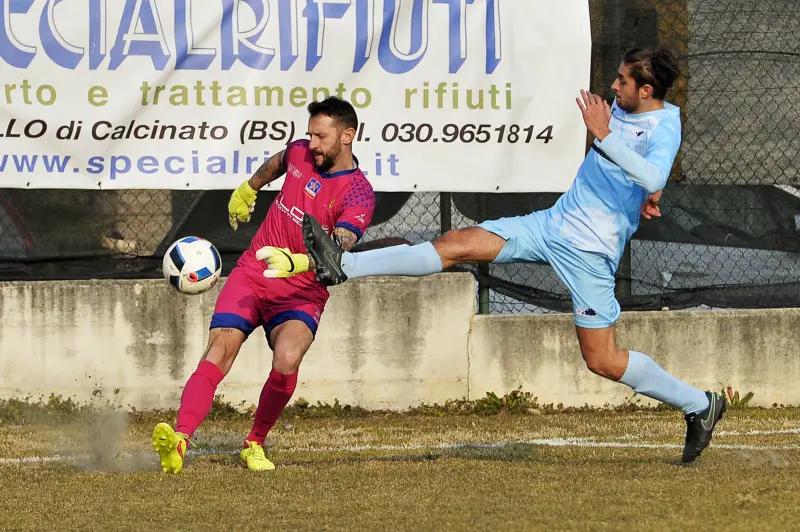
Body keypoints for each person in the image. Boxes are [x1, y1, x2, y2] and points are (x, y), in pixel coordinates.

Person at [260, 47, 726, 464]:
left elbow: (652, 170)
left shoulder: (664, 124)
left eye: (623, 81)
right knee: (454, 243)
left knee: (602, 360)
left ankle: (699, 405)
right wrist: (639, 184)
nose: (613, 86)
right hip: (552, 225)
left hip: (592, 254)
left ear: (645, 90)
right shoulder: (622, 111)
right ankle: (344, 265)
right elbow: (642, 177)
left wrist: (609, 142)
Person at [152, 96, 376, 473]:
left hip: (302, 290)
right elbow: (280, 161)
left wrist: (303, 260)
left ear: (348, 135)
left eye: (321, 137)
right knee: (218, 352)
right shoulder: (302, 152)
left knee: (287, 360)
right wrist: (250, 187)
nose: (313, 144)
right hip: (254, 274)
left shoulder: (358, 192)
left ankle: (254, 443)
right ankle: (180, 439)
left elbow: (341, 245)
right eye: (310, 135)